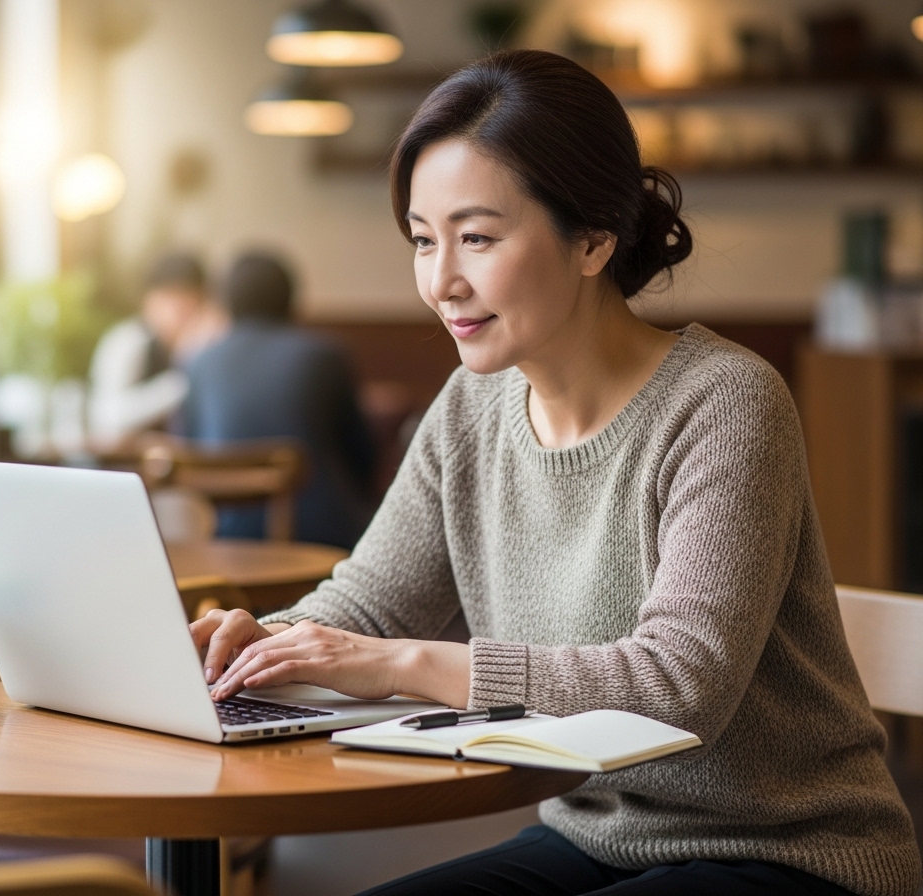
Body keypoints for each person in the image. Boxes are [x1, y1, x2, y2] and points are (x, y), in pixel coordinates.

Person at [189, 50, 921, 896]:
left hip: (792, 853)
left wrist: (400, 665)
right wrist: (259, 644)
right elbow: (368, 606)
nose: (441, 282)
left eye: (477, 238)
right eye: (424, 241)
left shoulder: (726, 403)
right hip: (597, 838)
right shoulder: (470, 407)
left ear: (594, 239)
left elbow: (676, 689)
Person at [179, 252, 376, 549]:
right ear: (291, 299)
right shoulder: (324, 356)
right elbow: (361, 452)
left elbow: (191, 449)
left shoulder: (198, 362)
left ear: (226, 303)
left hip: (225, 534)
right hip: (321, 536)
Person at [87, 252, 225, 447]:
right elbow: (107, 419)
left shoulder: (214, 343)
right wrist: (184, 377)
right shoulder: (127, 341)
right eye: (170, 300)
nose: (178, 312)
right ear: (148, 301)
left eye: (188, 302)